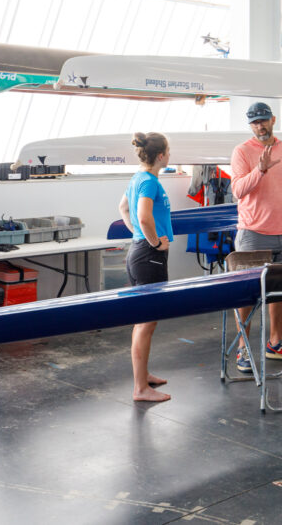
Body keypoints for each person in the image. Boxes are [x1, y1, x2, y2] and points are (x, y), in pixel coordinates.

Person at [230, 102, 282, 373]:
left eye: (263, 120)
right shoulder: (242, 151)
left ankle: (275, 345)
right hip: (254, 233)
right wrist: (259, 170)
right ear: (250, 125)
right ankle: (242, 349)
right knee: (246, 295)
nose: (260, 126)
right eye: (254, 123)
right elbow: (238, 190)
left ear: (273, 120)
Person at [118, 132, 174, 403]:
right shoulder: (149, 182)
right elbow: (142, 215)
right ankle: (140, 388)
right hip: (148, 256)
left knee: (144, 321)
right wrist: (154, 242)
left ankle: (143, 376)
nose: (170, 155)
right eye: (169, 151)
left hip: (139, 253)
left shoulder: (137, 178)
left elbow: (122, 208)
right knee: (146, 322)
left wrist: (139, 236)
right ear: (161, 156)